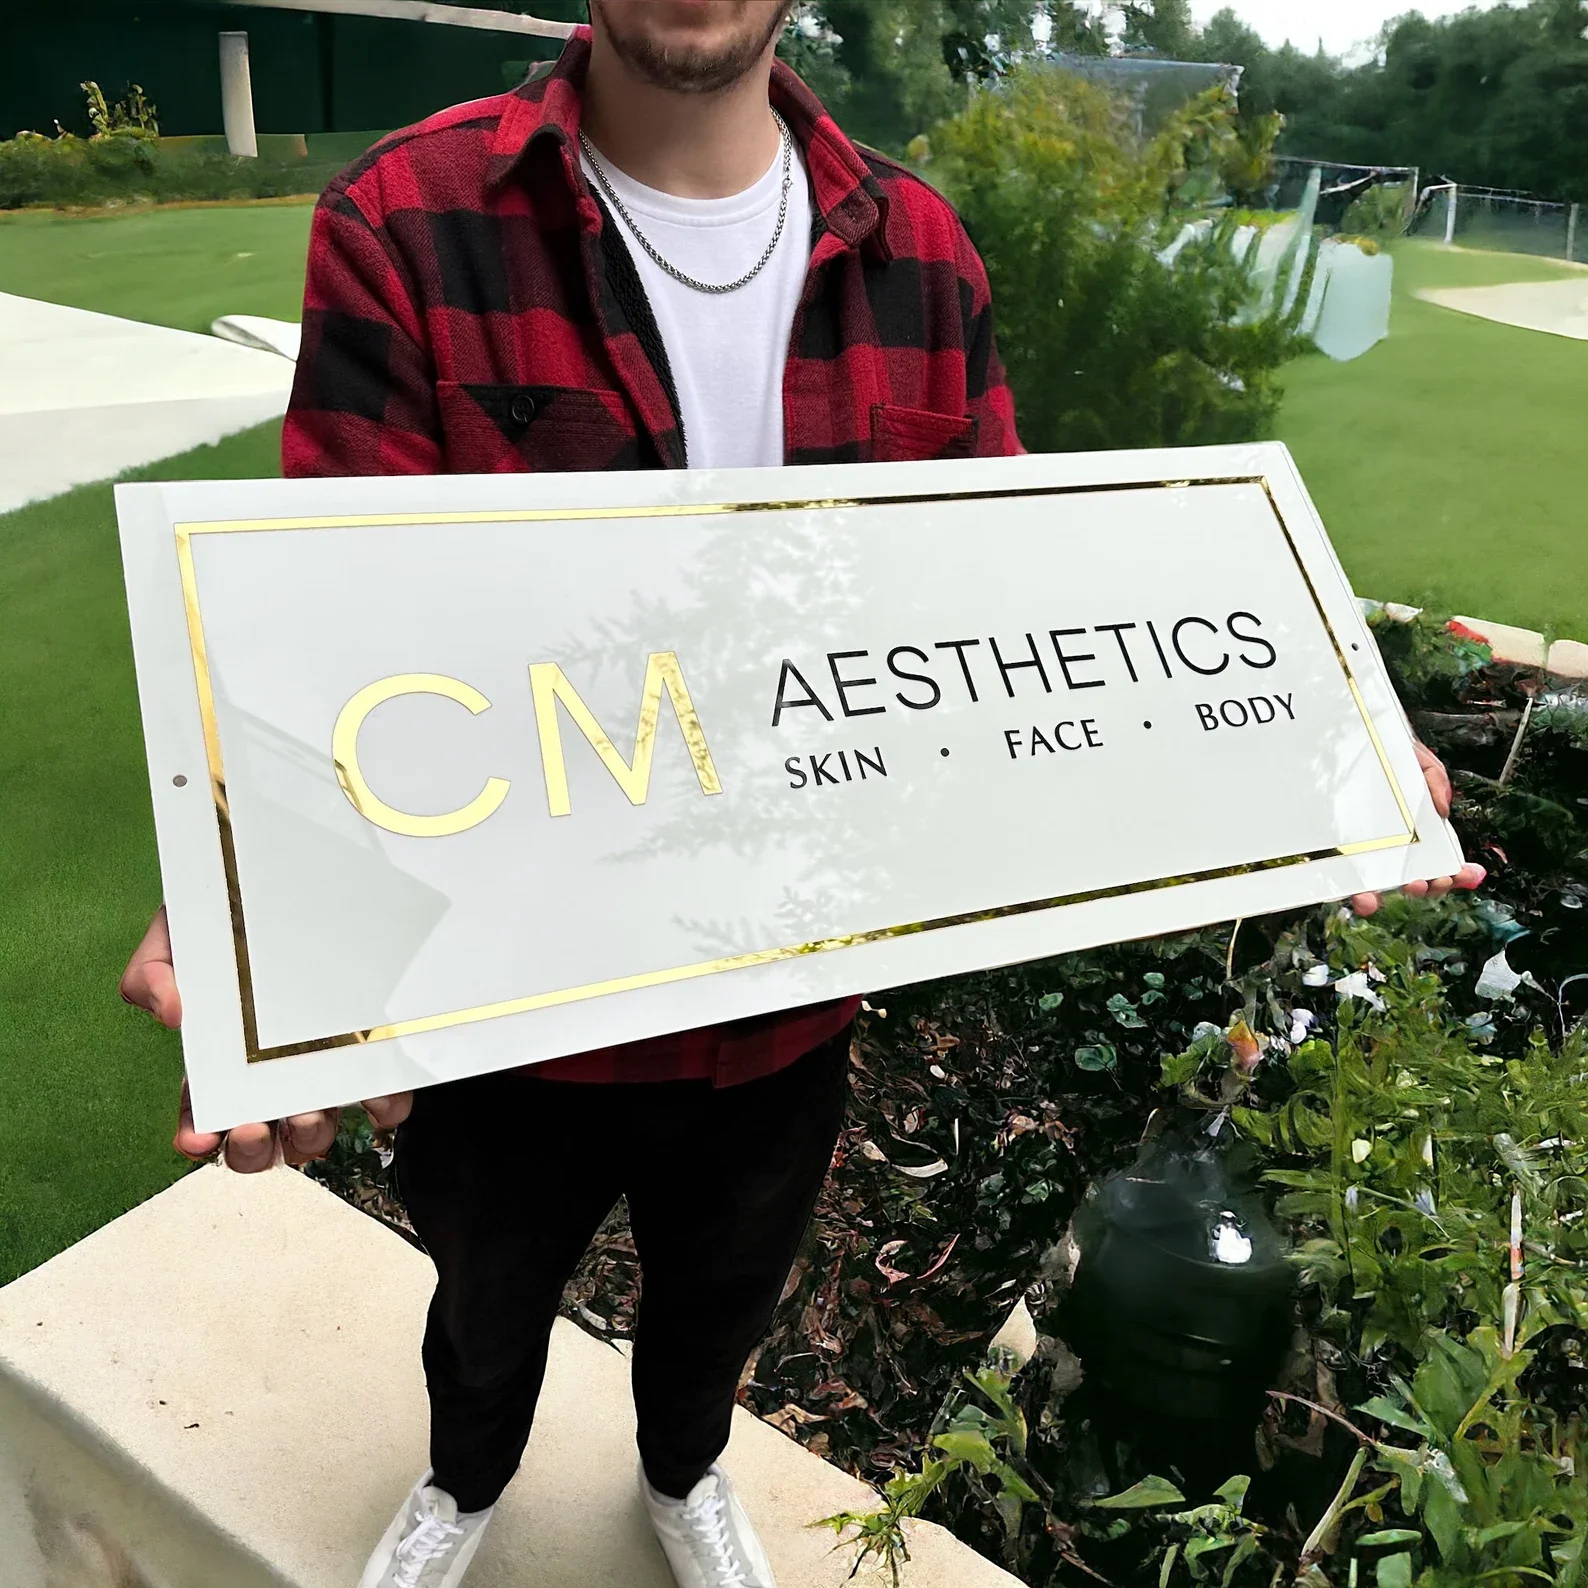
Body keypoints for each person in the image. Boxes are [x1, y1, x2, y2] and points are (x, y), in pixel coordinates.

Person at [118, 5, 1484, 1586]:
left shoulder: (923, 253)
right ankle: (463, 1480)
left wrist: (1308, 749)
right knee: (483, 1305)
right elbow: (333, 619)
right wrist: (259, 901)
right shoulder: (410, 219)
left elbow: (1015, 619)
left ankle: (682, 1476)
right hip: (513, 1006)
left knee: (723, 1298)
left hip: (788, 993)